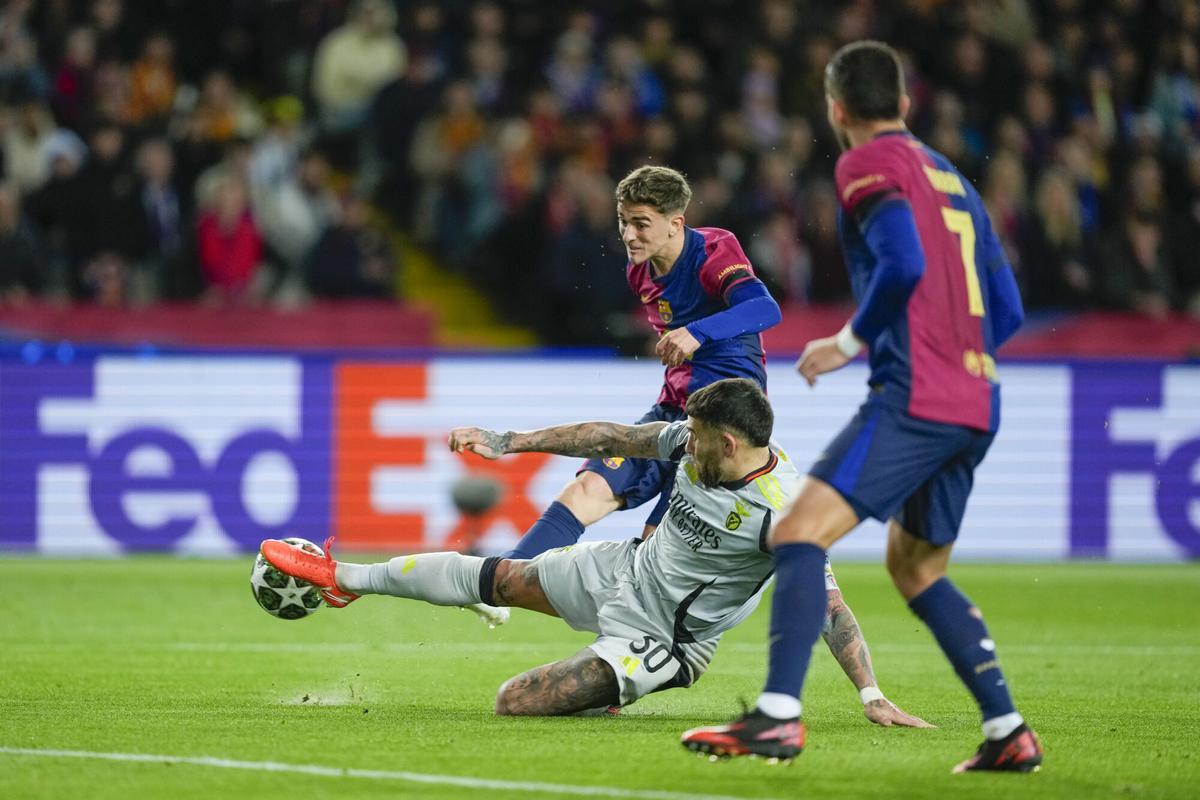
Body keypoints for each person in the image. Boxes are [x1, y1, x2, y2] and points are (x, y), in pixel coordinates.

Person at [680, 41, 1041, 773]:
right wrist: (961, 361)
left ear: (836, 109)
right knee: (916, 570)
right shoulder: (950, 177)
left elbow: (903, 263)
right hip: (978, 399)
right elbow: (1007, 310)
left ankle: (778, 716)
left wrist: (848, 341)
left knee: (798, 533)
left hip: (917, 397)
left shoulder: (865, 162)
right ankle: (1007, 731)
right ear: (905, 104)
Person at [261, 378, 927, 724]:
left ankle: (610, 683)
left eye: (696, 440)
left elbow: (830, 607)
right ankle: (342, 575)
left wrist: (870, 693)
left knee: (514, 701)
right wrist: (511, 439)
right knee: (499, 577)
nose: (681, 447)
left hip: (664, 640)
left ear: (729, 445)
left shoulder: (785, 513)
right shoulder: (689, 445)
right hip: (623, 572)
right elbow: (605, 434)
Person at [496, 164, 782, 568]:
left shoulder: (714, 251)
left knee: (655, 546)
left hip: (719, 426)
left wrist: (697, 332)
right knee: (588, 488)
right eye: (623, 222)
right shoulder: (638, 271)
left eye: (641, 224)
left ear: (675, 223)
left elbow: (764, 308)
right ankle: (501, 577)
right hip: (671, 411)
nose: (629, 235)